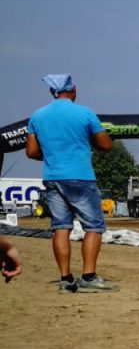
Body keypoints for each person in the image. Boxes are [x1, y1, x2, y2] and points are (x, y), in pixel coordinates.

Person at [25, 74, 118, 292]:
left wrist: (51, 154)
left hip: (52, 177)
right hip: (80, 177)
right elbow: (106, 145)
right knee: (94, 226)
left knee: (61, 227)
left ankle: (66, 279)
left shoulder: (37, 116)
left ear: (52, 92)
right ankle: (88, 277)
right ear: (73, 89)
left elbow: (31, 152)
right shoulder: (85, 113)